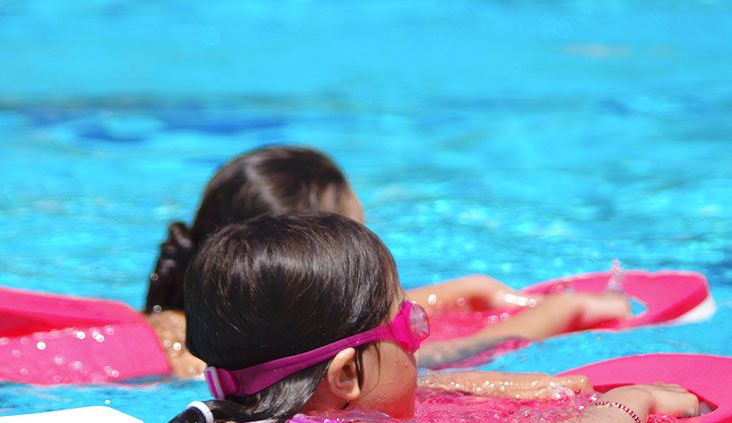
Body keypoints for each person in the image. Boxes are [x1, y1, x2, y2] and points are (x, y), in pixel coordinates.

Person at [160, 213, 698, 423]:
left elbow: (408, 394)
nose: (420, 342)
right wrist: (630, 402)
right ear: (345, 373)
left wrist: (492, 389)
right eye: (411, 325)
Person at [144, 146, 631, 375]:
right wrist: (547, 319)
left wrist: (467, 291)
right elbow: (430, 360)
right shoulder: (209, 360)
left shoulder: (203, 325)